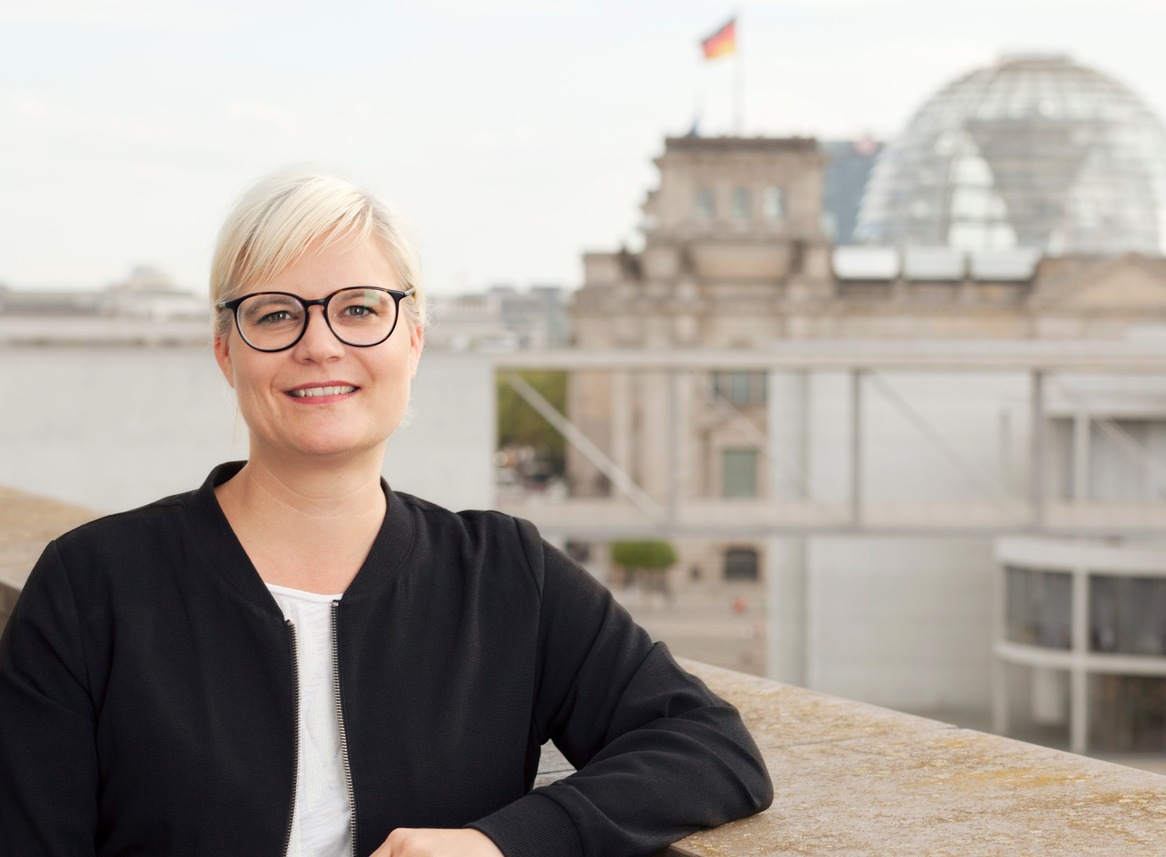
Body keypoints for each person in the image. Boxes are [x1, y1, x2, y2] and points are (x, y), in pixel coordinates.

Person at [0, 170, 772, 856]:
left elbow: (712, 747)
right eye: (274, 314)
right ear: (225, 350)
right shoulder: (91, 583)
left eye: (360, 308)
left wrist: (506, 840)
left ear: (414, 339)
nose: (321, 343)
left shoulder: (506, 573)